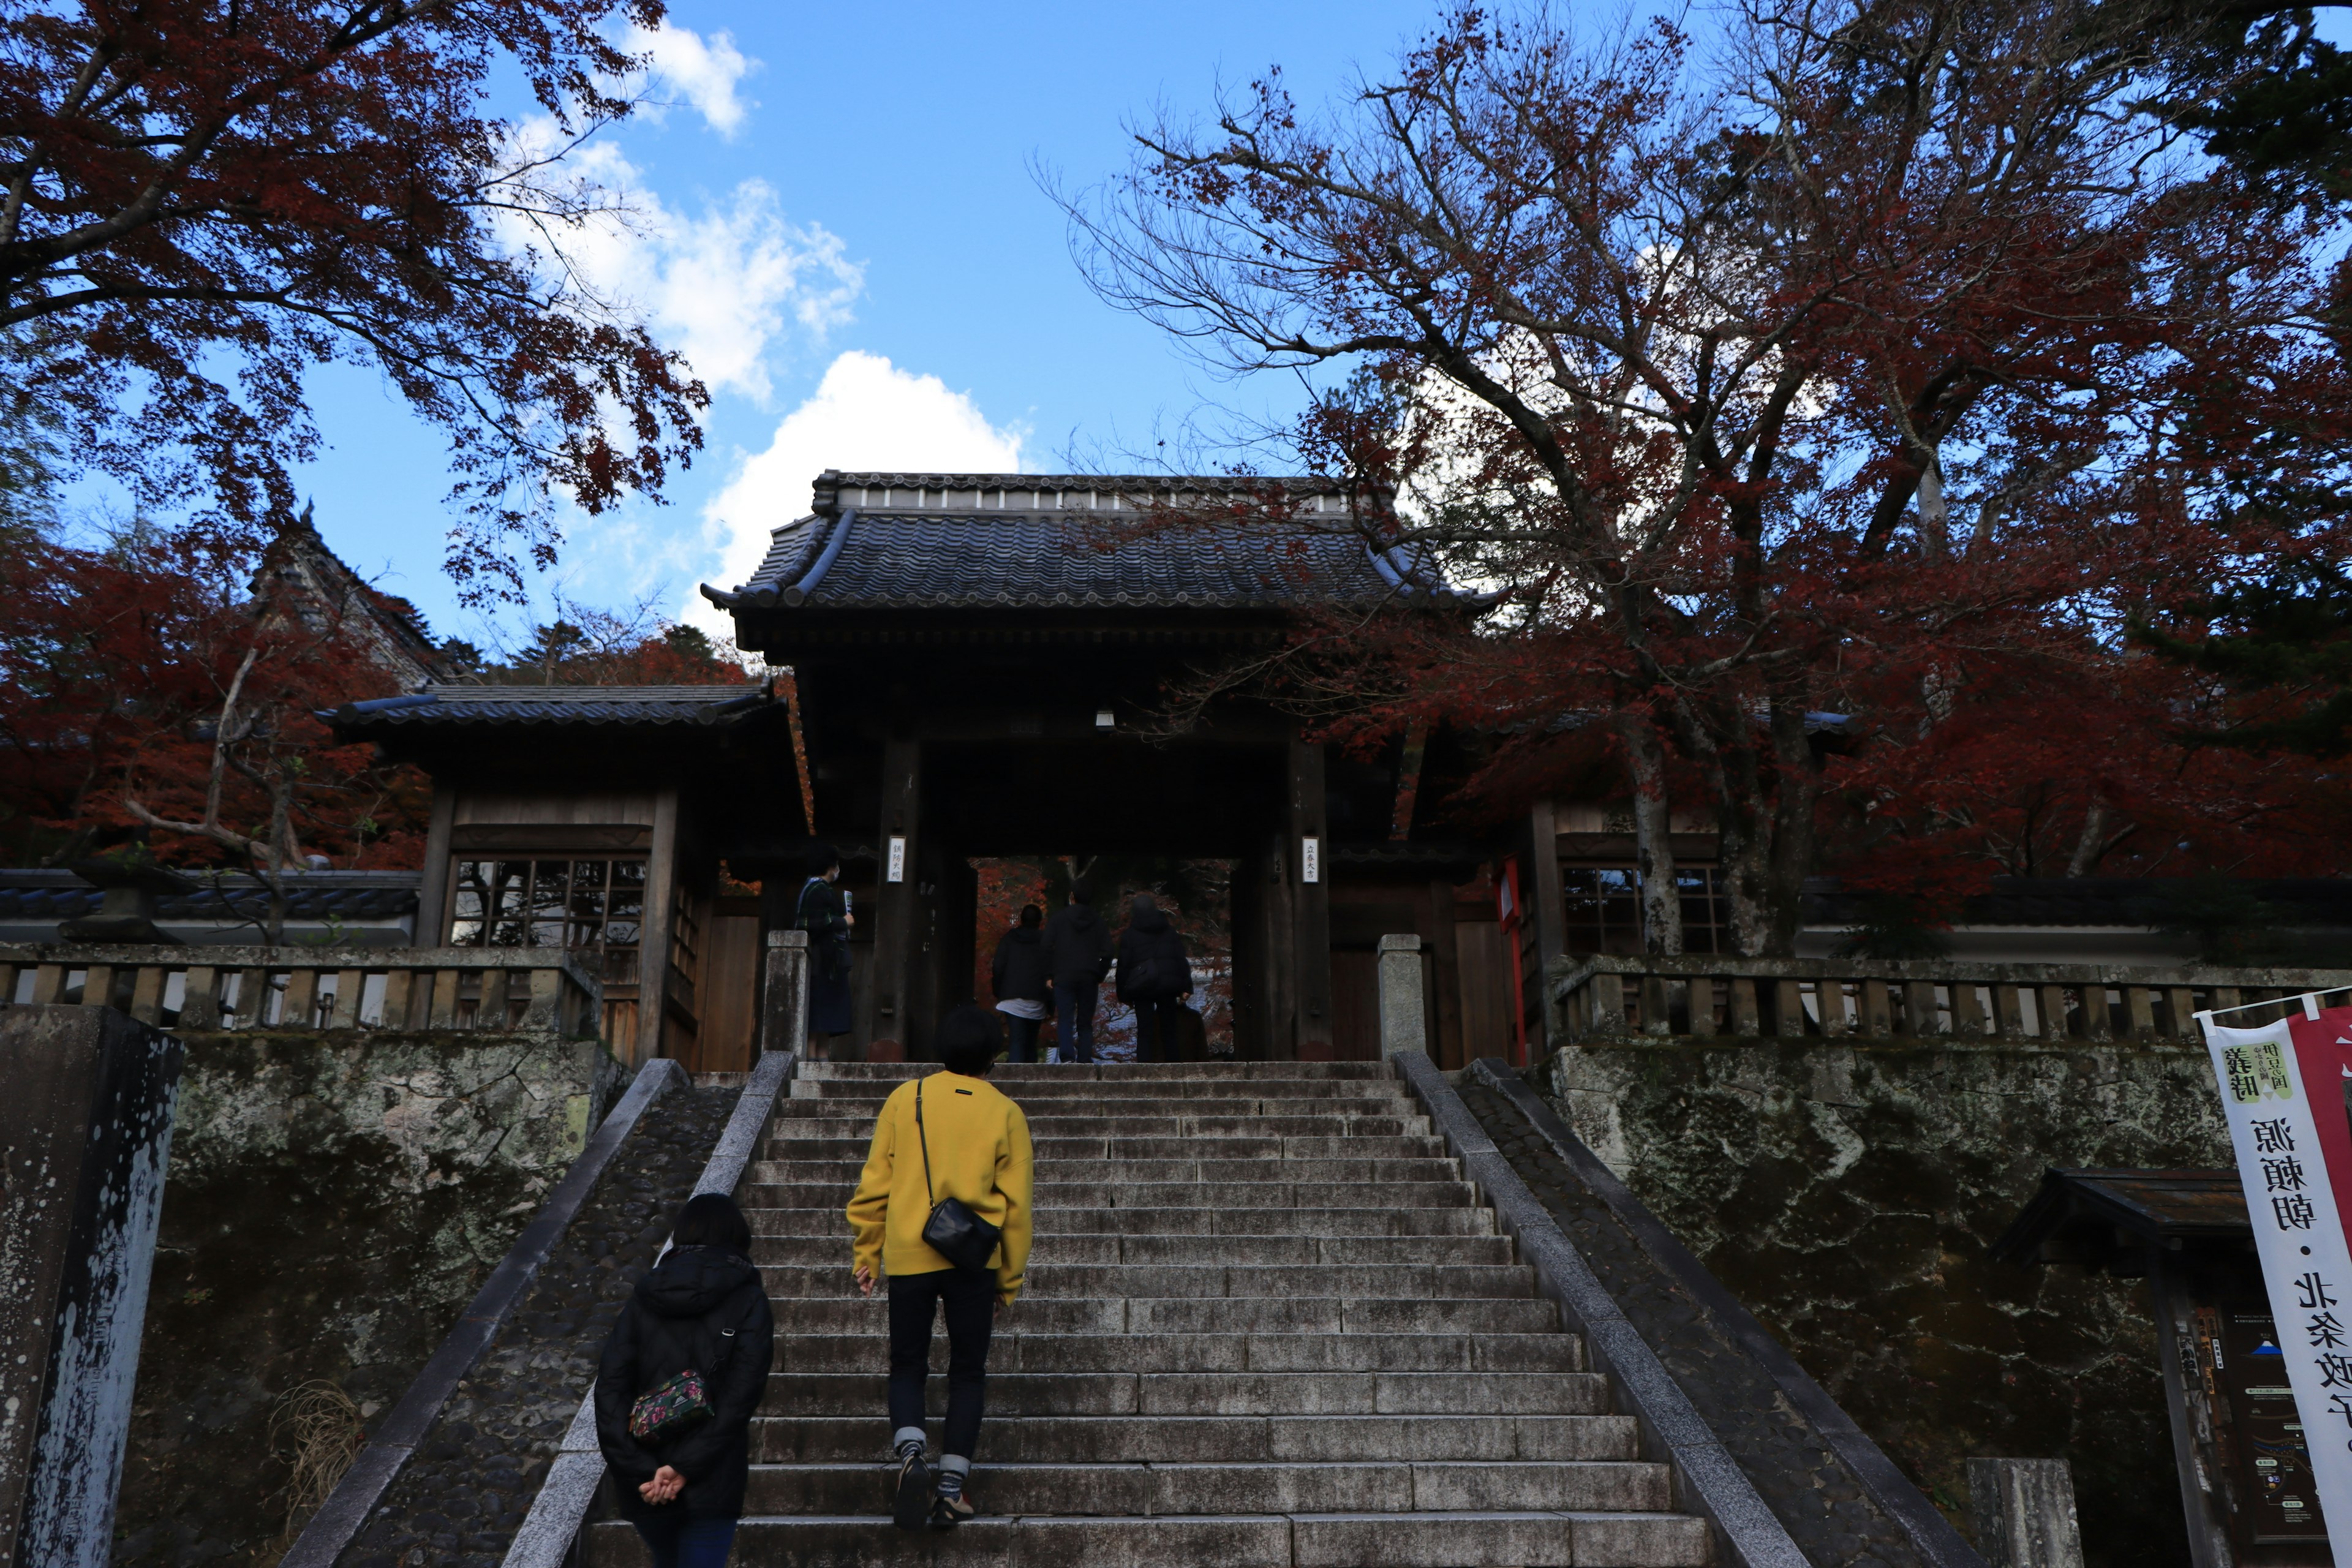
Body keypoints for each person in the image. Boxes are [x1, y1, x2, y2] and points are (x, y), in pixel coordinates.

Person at [846, 1006, 1034, 1531]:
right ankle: (952, 1488)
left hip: (910, 1253)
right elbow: (1017, 1210)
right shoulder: (1006, 1113)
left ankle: (911, 1451)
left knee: (907, 1363)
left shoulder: (907, 1098)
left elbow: (874, 1184)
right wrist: (1009, 1281)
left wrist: (868, 1252)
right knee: (968, 1373)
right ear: (993, 1056)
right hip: (974, 1260)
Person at [594, 1193, 775, 1568]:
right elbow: (742, 1395)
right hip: (712, 1475)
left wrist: (643, 1472)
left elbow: (611, 1388)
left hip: (646, 1485)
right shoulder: (749, 1298)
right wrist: (685, 1467)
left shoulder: (644, 1296)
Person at [1115, 891, 1194, 1065]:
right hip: (1168, 985)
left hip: (1142, 986)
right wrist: (1187, 987)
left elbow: (1123, 966)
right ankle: (1174, 1068)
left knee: (1145, 1031)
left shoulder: (1130, 935)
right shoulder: (1168, 931)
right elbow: (1180, 959)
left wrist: (1123, 994)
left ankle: (1144, 1069)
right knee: (1169, 1031)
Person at [1040, 882, 1114, 1064]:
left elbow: (1046, 947)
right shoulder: (1098, 921)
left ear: (1073, 896)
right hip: (1089, 975)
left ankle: (1066, 1057)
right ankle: (1085, 1058)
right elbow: (1108, 952)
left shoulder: (1059, 919)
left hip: (1063, 974)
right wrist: (1099, 974)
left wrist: (1049, 974)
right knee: (1085, 1021)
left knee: (1065, 1018)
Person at [795, 844, 854, 1058]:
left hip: (828, 960)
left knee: (824, 1019)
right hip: (822, 960)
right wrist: (842, 922)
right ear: (831, 866)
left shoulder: (817, 888)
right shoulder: (816, 889)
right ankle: (812, 1061)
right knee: (818, 1015)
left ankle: (822, 1059)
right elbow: (813, 923)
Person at [990, 905, 1050, 1063]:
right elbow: (1051, 971)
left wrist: (999, 990)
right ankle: (1032, 1081)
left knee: (1016, 1040)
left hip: (1011, 996)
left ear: (1021, 920)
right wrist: (1051, 1004)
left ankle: (1014, 1081)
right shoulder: (1045, 941)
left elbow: (998, 966)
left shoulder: (1010, 939)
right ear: (1040, 921)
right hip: (1037, 996)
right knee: (1031, 1043)